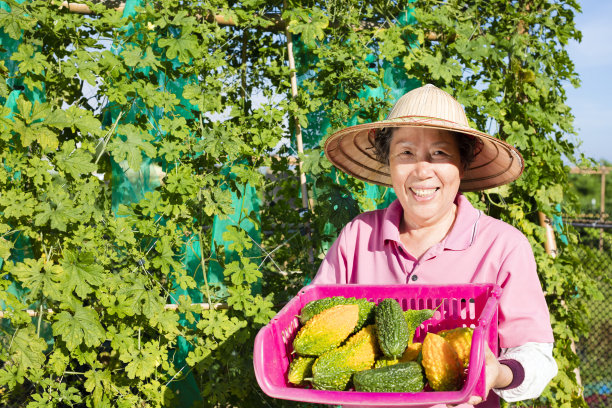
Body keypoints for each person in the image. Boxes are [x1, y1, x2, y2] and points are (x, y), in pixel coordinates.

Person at [311, 84, 558, 408]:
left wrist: (498, 373)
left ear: (462, 163)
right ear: (389, 162)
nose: (422, 170)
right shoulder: (357, 236)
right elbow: (314, 323)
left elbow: (536, 356)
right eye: (406, 153)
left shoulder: (502, 246)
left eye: (440, 153)